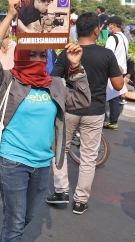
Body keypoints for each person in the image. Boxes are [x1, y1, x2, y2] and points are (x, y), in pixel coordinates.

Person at [0, 0, 90, 241]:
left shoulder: (56, 85)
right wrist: (10, 15)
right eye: (33, 53)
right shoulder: (8, 80)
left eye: (43, 55)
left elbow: (83, 100)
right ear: (21, 54)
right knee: (17, 224)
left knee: (23, 219)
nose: (39, 59)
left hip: (42, 164)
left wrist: (76, 67)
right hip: (12, 161)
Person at [47, 12, 123, 215]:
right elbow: (118, 84)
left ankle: (61, 191)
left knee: (60, 150)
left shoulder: (67, 53)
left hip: (69, 109)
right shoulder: (106, 55)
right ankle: (80, 201)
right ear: (97, 30)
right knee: (88, 157)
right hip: (95, 111)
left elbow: (54, 81)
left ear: (76, 29)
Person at [103, 16, 129, 130]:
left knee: (102, 95)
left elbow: (108, 55)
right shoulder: (124, 38)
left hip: (112, 70)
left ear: (113, 25)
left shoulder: (112, 38)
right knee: (114, 97)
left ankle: (105, 120)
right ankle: (113, 121)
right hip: (121, 71)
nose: (109, 27)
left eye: (109, 24)